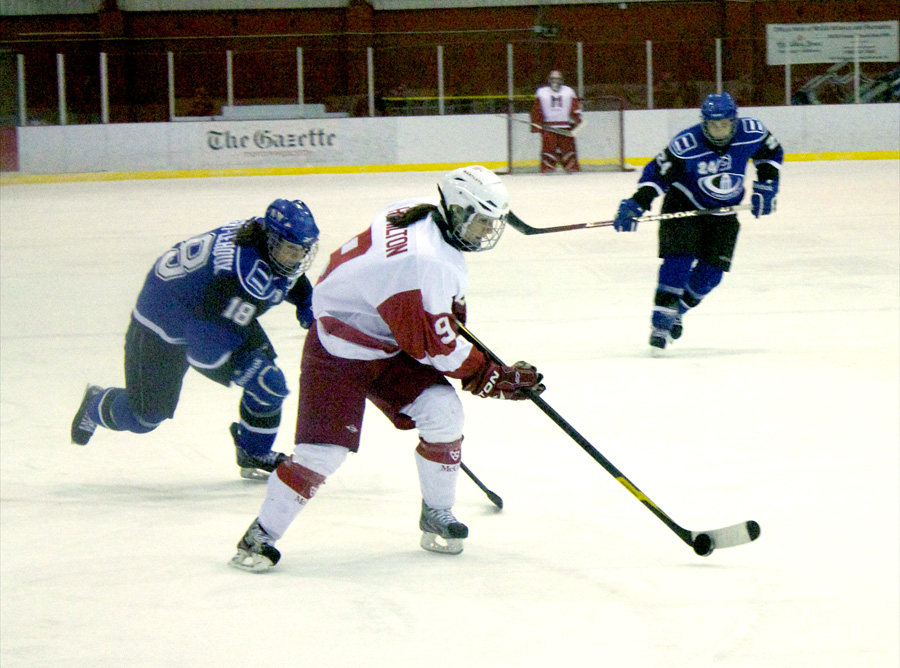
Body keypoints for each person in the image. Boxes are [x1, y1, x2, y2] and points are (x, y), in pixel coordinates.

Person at [230, 165, 546, 572]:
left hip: (383, 332)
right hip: (339, 347)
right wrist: (493, 377)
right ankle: (260, 536)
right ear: (456, 210)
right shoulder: (424, 263)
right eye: (480, 221)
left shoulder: (417, 209)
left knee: (442, 412)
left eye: (491, 222)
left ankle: (437, 513)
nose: (485, 232)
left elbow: (425, 323)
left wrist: (442, 316)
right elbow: (437, 349)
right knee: (321, 455)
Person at [70, 199, 321, 480]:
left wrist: (305, 301)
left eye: (302, 250)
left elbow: (280, 275)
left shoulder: (259, 237)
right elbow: (206, 346)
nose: (298, 257)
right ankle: (95, 403)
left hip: (210, 310)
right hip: (161, 327)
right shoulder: (238, 276)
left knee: (268, 383)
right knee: (144, 418)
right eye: (292, 250)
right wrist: (239, 368)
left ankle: (254, 452)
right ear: (272, 240)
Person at [613, 92, 783, 350]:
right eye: (713, 125)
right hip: (684, 206)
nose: (718, 130)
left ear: (734, 121)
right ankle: (661, 322)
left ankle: (677, 311)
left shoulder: (752, 132)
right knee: (677, 263)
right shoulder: (687, 144)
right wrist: (638, 202)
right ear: (704, 123)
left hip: (724, 213)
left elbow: (771, 153)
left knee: (711, 276)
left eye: (724, 124)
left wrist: (767, 185)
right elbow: (658, 173)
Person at [531, 70, 582, 173]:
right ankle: (548, 167)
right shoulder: (541, 92)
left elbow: (574, 108)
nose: (555, 81)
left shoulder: (569, 91)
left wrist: (577, 121)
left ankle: (571, 166)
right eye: (553, 79)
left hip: (565, 127)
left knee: (568, 149)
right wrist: (537, 124)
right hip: (549, 127)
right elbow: (537, 110)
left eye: (557, 79)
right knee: (548, 149)